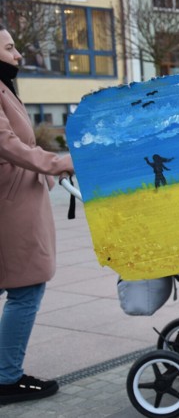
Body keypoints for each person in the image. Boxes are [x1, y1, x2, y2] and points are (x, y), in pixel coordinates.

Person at [0, 24, 74, 404]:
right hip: (12, 204)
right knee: (26, 289)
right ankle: (6, 378)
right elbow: (8, 144)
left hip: (15, 197)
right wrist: (56, 162)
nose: (17, 56)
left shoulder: (4, 86)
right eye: (10, 48)